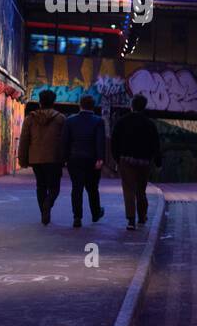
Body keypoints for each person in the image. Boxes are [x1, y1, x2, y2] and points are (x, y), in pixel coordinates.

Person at [111, 93, 162, 231]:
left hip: (126, 160)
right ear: (144, 106)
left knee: (128, 190)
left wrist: (116, 158)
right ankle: (142, 216)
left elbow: (114, 141)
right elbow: (155, 144)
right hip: (144, 161)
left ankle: (131, 220)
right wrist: (157, 161)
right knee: (141, 190)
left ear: (131, 106)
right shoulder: (149, 124)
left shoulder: (122, 121)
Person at [17, 89, 67, 225]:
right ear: (54, 102)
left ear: (40, 102)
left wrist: (22, 159)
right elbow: (65, 140)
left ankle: (43, 212)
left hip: (36, 159)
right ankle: (48, 203)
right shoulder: (61, 119)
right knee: (54, 187)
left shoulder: (30, 119)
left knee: (41, 186)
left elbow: (24, 140)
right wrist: (65, 158)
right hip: (54, 158)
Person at [62, 94, 106, 228]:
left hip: (74, 159)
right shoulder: (98, 121)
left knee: (77, 188)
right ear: (93, 106)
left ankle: (77, 217)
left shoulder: (70, 121)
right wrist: (100, 158)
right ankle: (95, 213)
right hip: (92, 160)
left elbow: (65, 141)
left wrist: (64, 159)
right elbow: (100, 141)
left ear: (79, 105)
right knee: (93, 188)